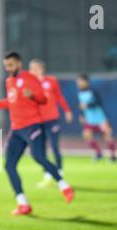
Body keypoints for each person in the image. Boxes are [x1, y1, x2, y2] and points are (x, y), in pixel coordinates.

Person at [0, 52, 74, 216]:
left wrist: (33, 95)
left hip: (33, 126)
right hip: (17, 130)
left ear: (18, 64)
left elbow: (43, 99)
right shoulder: (9, 81)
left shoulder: (30, 79)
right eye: (6, 65)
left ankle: (63, 185)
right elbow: (10, 101)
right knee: (9, 166)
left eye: (10, 65)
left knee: (38, 157)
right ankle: (23, 203)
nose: (8, 68)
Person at [28, 59, 73, 188]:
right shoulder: (30, 84)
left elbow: (59, 97)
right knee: (41, 151)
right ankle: (47, 176)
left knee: (55, 147)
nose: (32, 70)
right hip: (37, 121)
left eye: (35, 67)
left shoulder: (51, 81)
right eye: (31, 68)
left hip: (51, 119)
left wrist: (67, 110)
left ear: (42, 68)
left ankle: (60, 174)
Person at [76, 74, 117, 162]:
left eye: (80, 81)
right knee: (86, 135)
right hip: (90, 120)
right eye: (77, 81)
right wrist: (82, 115)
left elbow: (99, 102)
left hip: (100, 119)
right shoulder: (79, 93)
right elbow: (82, 106)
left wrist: (88, 105)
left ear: (86, 82)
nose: (78, 83)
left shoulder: (93, 91)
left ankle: (113, 156)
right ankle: (98, 153)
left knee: (107, 136)